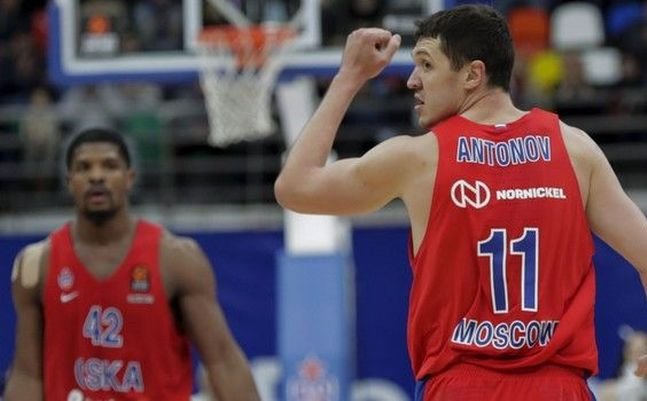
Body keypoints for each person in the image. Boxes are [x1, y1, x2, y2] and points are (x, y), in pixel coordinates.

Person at [274, 4, 647, 401]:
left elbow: (296, 187)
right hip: (558, 388)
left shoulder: (419, 158)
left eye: (426, 65)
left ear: (472, 74)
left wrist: (349, 76)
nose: (412, 81)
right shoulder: (575, 149)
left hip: (461, 385)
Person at [4, 127, 261, 401]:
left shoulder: (176, 259)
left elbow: (222, 360)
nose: (96, 176)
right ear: (69, 181)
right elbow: (27, 373)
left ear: (129, 178)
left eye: (109, 166)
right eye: (84, 167)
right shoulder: (36, 264)